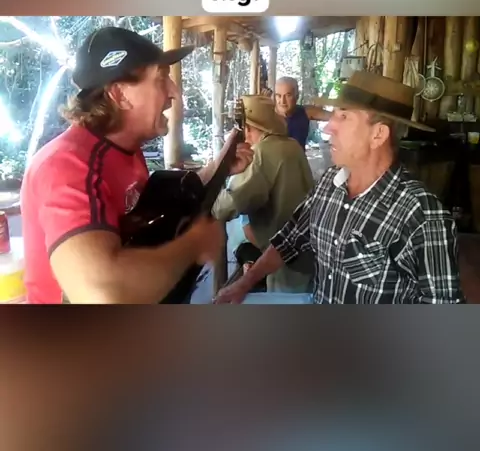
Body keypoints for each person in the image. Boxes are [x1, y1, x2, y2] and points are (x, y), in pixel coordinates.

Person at [20, 26, 253, 304]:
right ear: (119, 94)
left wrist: (219, 167)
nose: (174, 92)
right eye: (161, 78)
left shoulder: (124, 152)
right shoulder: (66, 166)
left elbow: (149, 211)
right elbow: (102, 293)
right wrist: (194, 244)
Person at [214, 71, 465, 304]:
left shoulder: (423, 217)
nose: (328, 127)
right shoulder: (330, 183)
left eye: (344, 116)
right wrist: (245, 282)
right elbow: (289, 239)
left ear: (378, 135)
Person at [212, 95, 315, 293]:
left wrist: (222, 174)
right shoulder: (292, 145)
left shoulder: (261, 153)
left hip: (284, 258)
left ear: (247, 128)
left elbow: (225, 207)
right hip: (305, 250)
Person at [274, 76, 330, 149]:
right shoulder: (268, 114)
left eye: (288, 95)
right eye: (278, 96)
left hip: (298, 156)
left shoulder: (305, 112)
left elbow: (336, 116)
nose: (282, 101)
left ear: (297, 96)